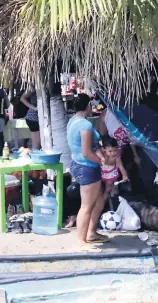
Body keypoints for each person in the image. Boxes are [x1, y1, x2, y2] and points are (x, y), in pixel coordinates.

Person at [68, 93, 108, 245]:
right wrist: (101, 161)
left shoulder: (73, 121)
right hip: (87, 167)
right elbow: (87, 152)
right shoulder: (85, 125)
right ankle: (81, 240)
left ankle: (91, 232)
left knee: (98, 200)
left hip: (78, 165)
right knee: (86, 206)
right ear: (87, 106)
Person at [100, 136, 128, 200]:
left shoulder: (116, 156)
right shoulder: (101, 155)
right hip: (101, 173)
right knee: (99, 187)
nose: (113, 153)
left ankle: (104, 199)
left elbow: (121, 166)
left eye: (115, 150)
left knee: (108, 188)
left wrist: (124, 175)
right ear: (104, 149)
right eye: (110, 151)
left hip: (110, 173)